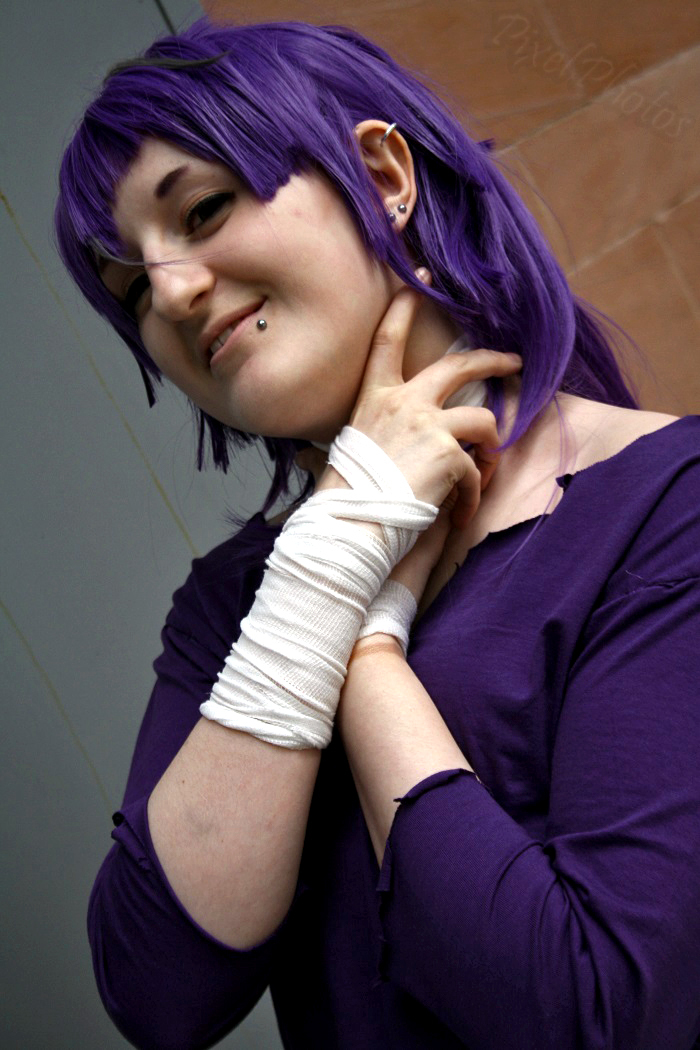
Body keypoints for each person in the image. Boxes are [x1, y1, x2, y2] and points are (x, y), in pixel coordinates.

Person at [55, 17, 700, 1050]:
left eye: (205, 207)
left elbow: (591, 1017)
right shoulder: (232, 602)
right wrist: (329, 560)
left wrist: (359, 636)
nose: (169, 292)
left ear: (384, 175)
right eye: (131, 288)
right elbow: (157, 997)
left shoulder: (669, 504)